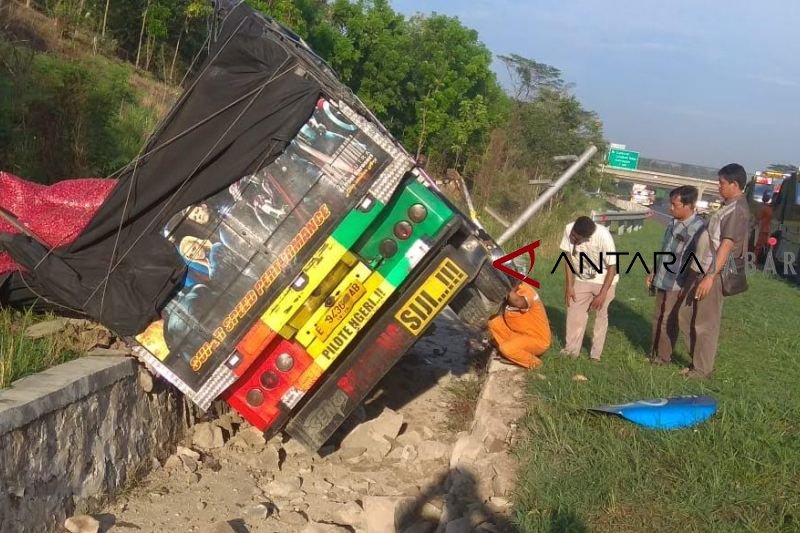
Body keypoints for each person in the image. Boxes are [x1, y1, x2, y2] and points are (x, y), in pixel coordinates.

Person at [682, 163, 751, 378]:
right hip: (703, 269)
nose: (718, 186)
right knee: (686, 315)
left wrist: (711, 276)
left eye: (721, 182)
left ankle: (702, 369)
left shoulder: (737, 210)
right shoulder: (728, 205)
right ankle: (697, 362)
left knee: (705, 323)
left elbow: (727, 245)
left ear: (735, 184)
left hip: (714, 273)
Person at [646, 186, 706, 365]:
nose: (671, 208)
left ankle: (663, 357)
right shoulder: (672, 223)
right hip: (662, 278)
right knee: (657, 317)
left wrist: (687, 287)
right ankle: (653, 352)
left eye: (675, 204)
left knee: (668, 321)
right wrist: (654, 271)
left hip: (678, 283)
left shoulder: (698, 230)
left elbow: (698, 262)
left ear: (689, 205)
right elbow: (665, 251)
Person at [559, 215, 619, 361]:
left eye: (577, 239)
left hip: (604, 279)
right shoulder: (569, 229)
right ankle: (571, 351)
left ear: (587, 236)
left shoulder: (604, 236)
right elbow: (567, 257)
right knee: (574, 312)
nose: (573, 239)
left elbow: (612, 267)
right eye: (573, 236)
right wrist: (569, 285)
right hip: (582, 278)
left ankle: (595, 355)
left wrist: (602, 294)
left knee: (600, 317)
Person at [488, 282, 551, 369]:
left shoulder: (528, 292)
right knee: (493, 321)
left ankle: (536, 364)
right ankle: (512, 355)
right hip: (518, 334)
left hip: (536, 339)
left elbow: (518, 303)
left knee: (506, 349)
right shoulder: (513, 290)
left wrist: (507, 289)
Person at [754, 191, 774, 265]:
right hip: (767, 230)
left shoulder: (763, 207)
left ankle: (754, 261)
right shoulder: (770, 209)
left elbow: (758, 218)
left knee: (758, 247)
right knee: (763, 246)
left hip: (761, 229)